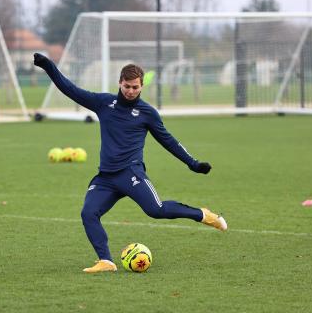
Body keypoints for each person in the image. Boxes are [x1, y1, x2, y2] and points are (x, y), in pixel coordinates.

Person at [33, 53, 227, 273]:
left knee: (156, 210)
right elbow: (69, 88)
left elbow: (168, 141)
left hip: (131, 173)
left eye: (135, 87)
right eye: (127, 86)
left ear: (141, 86)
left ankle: (204, 215)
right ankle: (106, 261)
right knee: (88, 213)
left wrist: (193, 164)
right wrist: (48, 66)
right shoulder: (103, 103)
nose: (131, 91)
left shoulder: (147, 113)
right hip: (106, 177)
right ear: (120, 83)